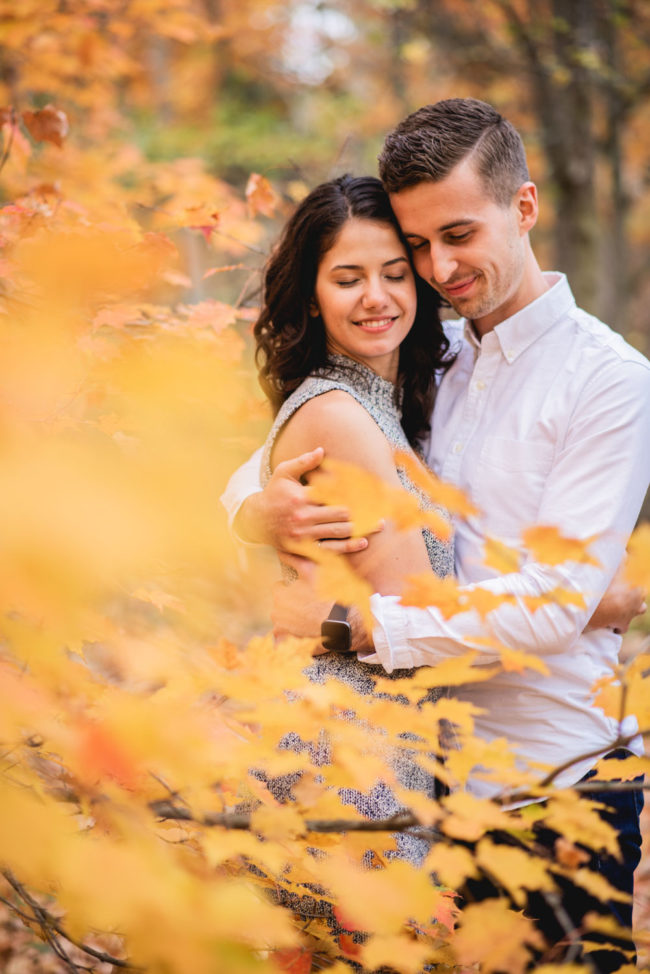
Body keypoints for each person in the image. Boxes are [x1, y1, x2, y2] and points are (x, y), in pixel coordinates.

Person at [222, 99, 650, 970]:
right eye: (418, 245)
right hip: (414, 792)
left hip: (545, 793)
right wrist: (252, 509)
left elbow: (547, 613)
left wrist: (354, 627)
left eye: (459, 234)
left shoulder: (609, 384)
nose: (438, 267)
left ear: (524, 208)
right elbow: (301, 436)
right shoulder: (430, 357)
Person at [251, 173, 455, 870]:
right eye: (348, 278)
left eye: (395, 273)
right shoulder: (340, 413)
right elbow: (425, 618)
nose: (377, 296)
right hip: (350, 752)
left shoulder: (376, 404)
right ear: (310, 293)